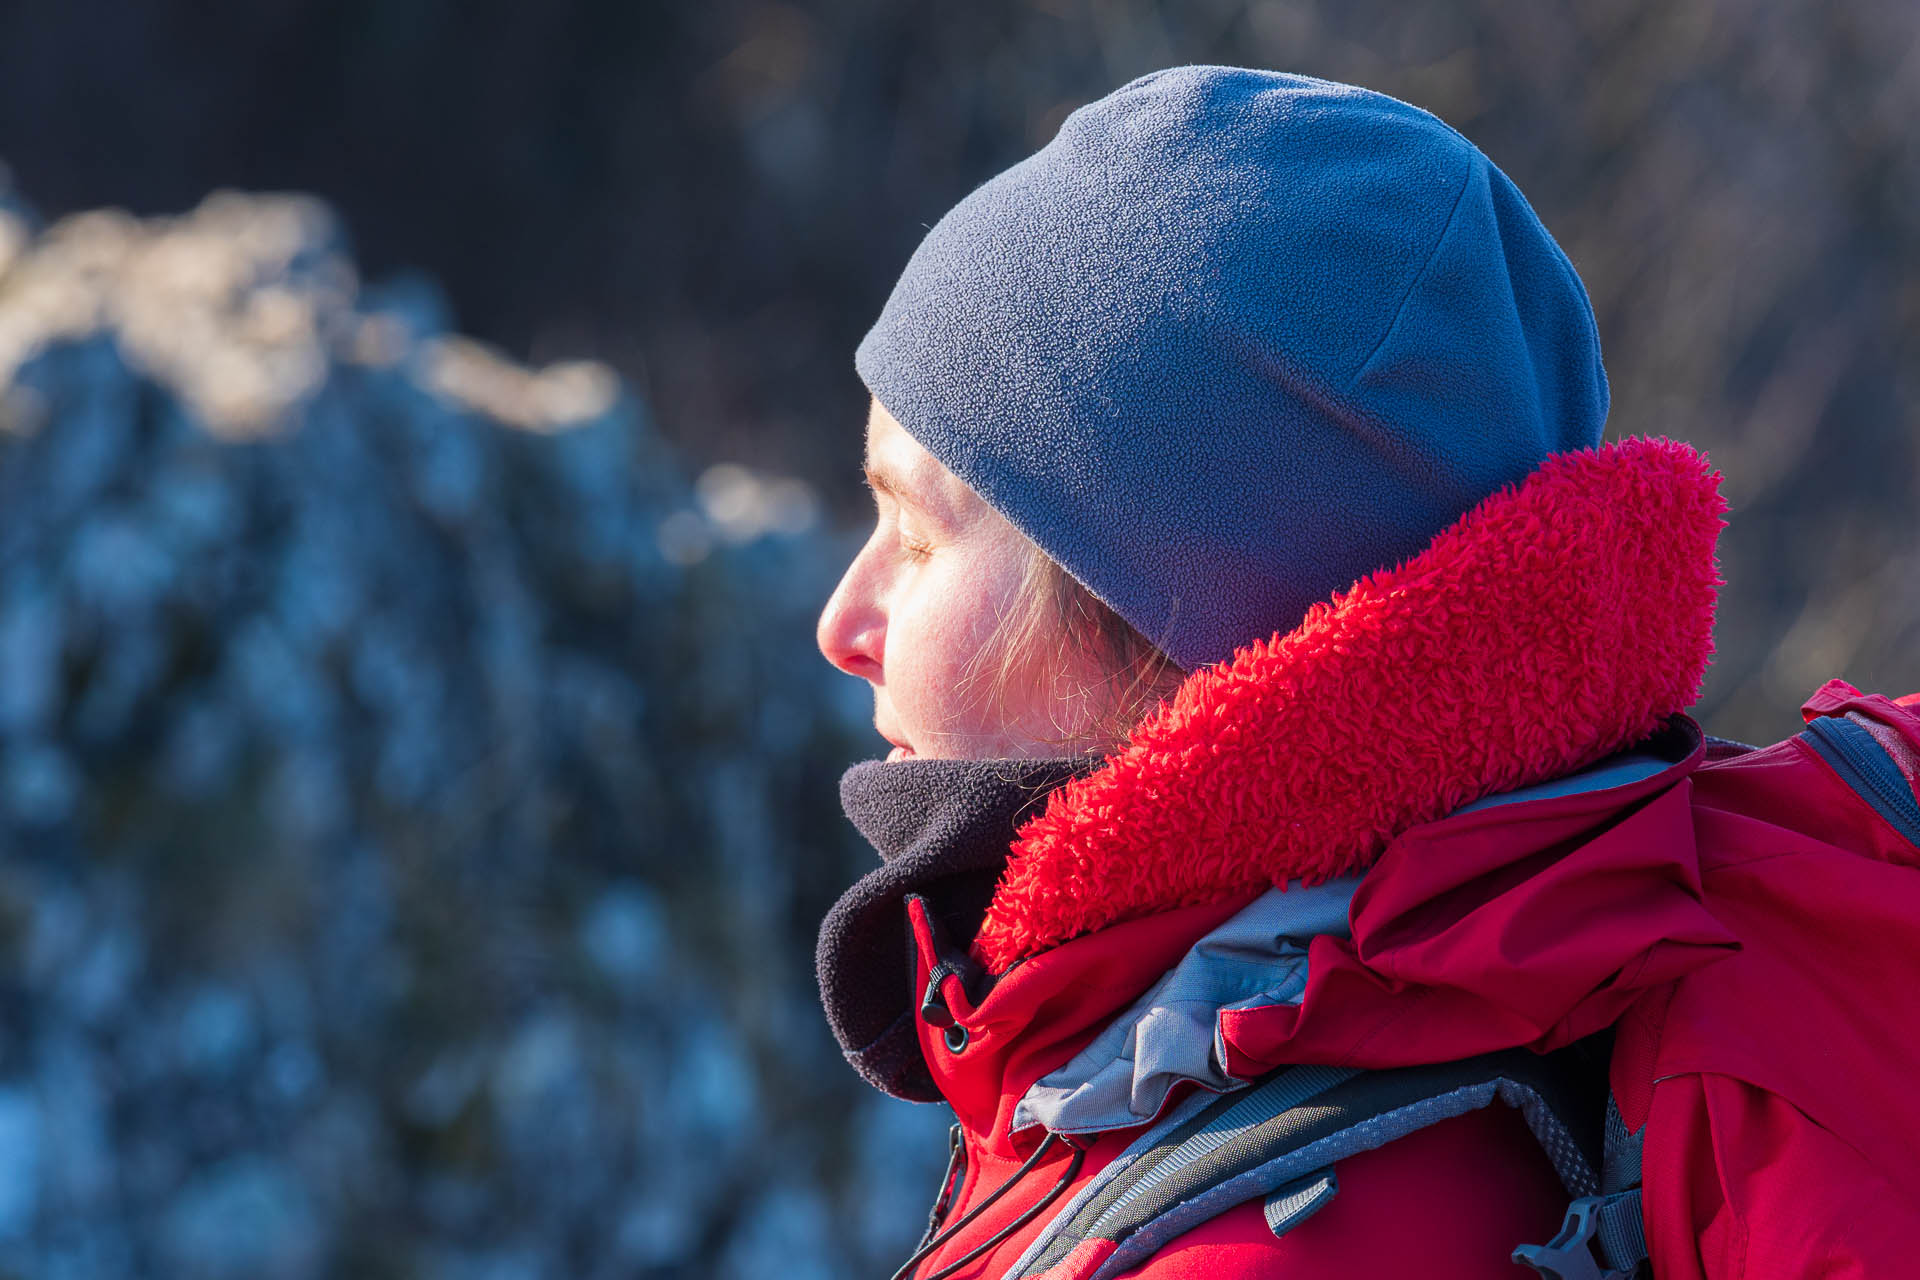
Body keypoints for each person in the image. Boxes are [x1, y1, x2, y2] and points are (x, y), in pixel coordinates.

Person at [813, 66, 1739, 1279]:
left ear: (1172, 614)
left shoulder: (1281, 1239)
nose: (845, 617)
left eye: (919, 532)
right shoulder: (1190, 1057)